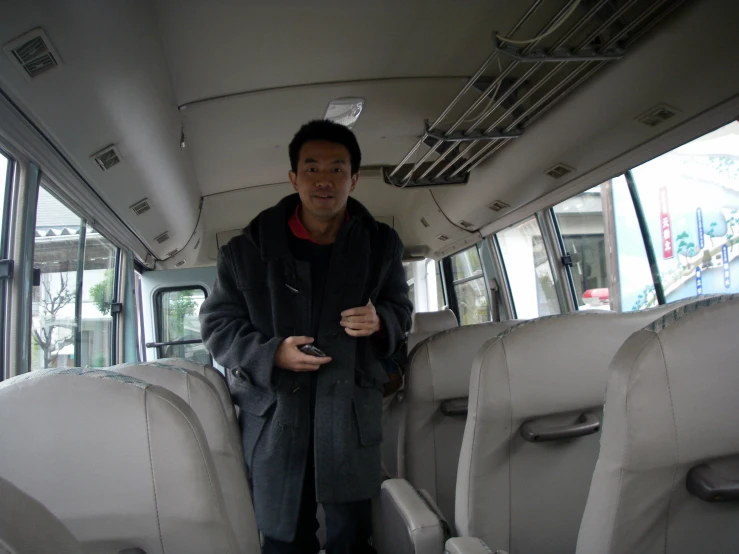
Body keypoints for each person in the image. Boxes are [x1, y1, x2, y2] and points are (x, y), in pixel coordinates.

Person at [199, 119, 413, 554]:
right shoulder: (246, 252)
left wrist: (380, 321)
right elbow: (217, 327)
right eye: (311, 168)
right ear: (293, 177)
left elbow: (401, 311)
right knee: (281, 537)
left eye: (337, 169)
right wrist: (271, 353)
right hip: (276, 414)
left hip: (350, 413)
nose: (324, 180)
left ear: (353, 179)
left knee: (351, 537)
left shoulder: (382, 245)